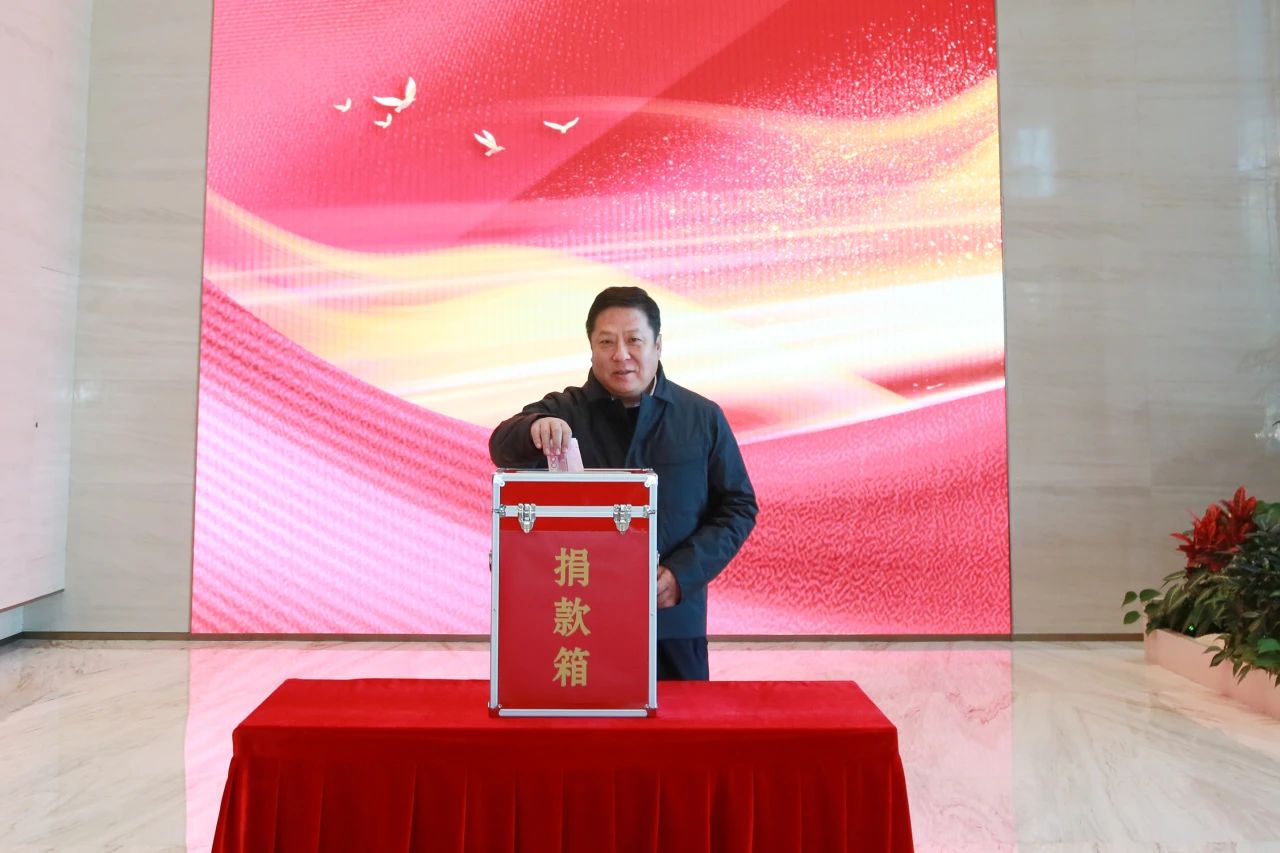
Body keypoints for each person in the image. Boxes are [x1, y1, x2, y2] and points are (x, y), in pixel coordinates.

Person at [489, 286, 758, 680]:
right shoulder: (564, 410)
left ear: (658, 345)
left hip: (671, 621)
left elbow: (738, 507)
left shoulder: (702, 417)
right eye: (606, 342)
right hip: (578, 619)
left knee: (680, 719)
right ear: (591, 348)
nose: (621, 355)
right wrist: (534, 428)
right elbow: (501, 446)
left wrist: (682, 575)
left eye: (634, 340)